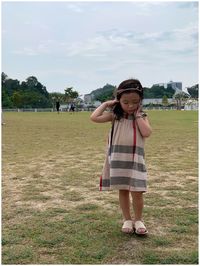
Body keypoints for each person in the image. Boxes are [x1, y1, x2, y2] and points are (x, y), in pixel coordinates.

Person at [90, 78, 152, 235]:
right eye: (126, 102)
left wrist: (138, 116)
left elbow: (146, 133)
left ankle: (138, 220)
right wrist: (105, 104)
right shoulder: (114, 116)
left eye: (135, 102)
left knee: (137, 192)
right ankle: (127, 219)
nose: (130, 106)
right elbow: (94, 118)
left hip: (135, 160)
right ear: (118, 100)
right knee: (123, 190)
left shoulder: (142, 115)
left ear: (140, 101)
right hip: (118, 159)